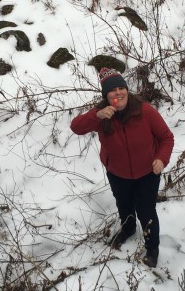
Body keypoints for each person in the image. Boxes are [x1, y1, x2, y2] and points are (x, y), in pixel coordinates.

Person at [70, 67, 174, 267]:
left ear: (126, 90)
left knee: (146, 211)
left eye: (121, 88)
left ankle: (152, 247)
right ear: (106, 95)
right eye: (112, 90)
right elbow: (76, 127)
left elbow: (166, 138)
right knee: (124, 205)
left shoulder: (144, 111)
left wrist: (161, 159)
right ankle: (128, 229)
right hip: (117, 173)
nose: (118, 92)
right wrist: (96, 116)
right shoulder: (101, 115)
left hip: (147, 173)